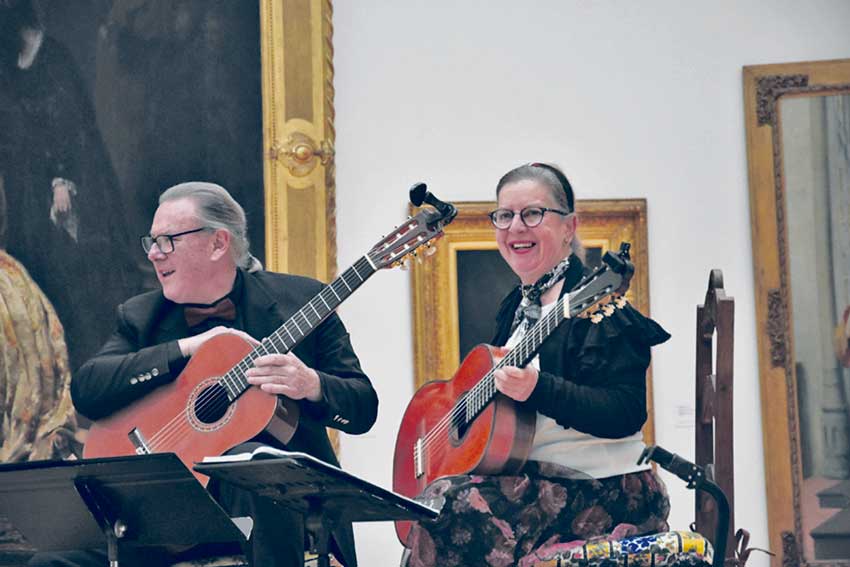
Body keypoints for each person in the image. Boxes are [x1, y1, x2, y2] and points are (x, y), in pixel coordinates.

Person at [30, 182, 378, 567]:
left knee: (248, 461)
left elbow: (362, 408)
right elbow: (89, 388)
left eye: (167, 240)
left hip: (274, 526)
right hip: (165, 523)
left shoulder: (303, 301)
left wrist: (311, 384)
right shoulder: (141, 315)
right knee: (49, 564)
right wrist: (189, 348)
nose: (153, 253)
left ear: (218, 244)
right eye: (151, 240)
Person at [404, 163, 671, 567]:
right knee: (435, 503)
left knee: (447, 506)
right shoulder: (516, 307)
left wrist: (537, 388)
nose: (515, 227)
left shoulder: (603, 308)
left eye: (532, 213)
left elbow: (626, 412)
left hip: (607, 489)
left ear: (569, 226)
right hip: (537, 483)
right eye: (504, 216)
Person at [0, 0, 141, 370]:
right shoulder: (6, 63)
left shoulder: (54, 60)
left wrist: (62, 179)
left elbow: (73, 129)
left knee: (68, 271)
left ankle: (86, 363)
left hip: (64, 184)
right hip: (17, 186)